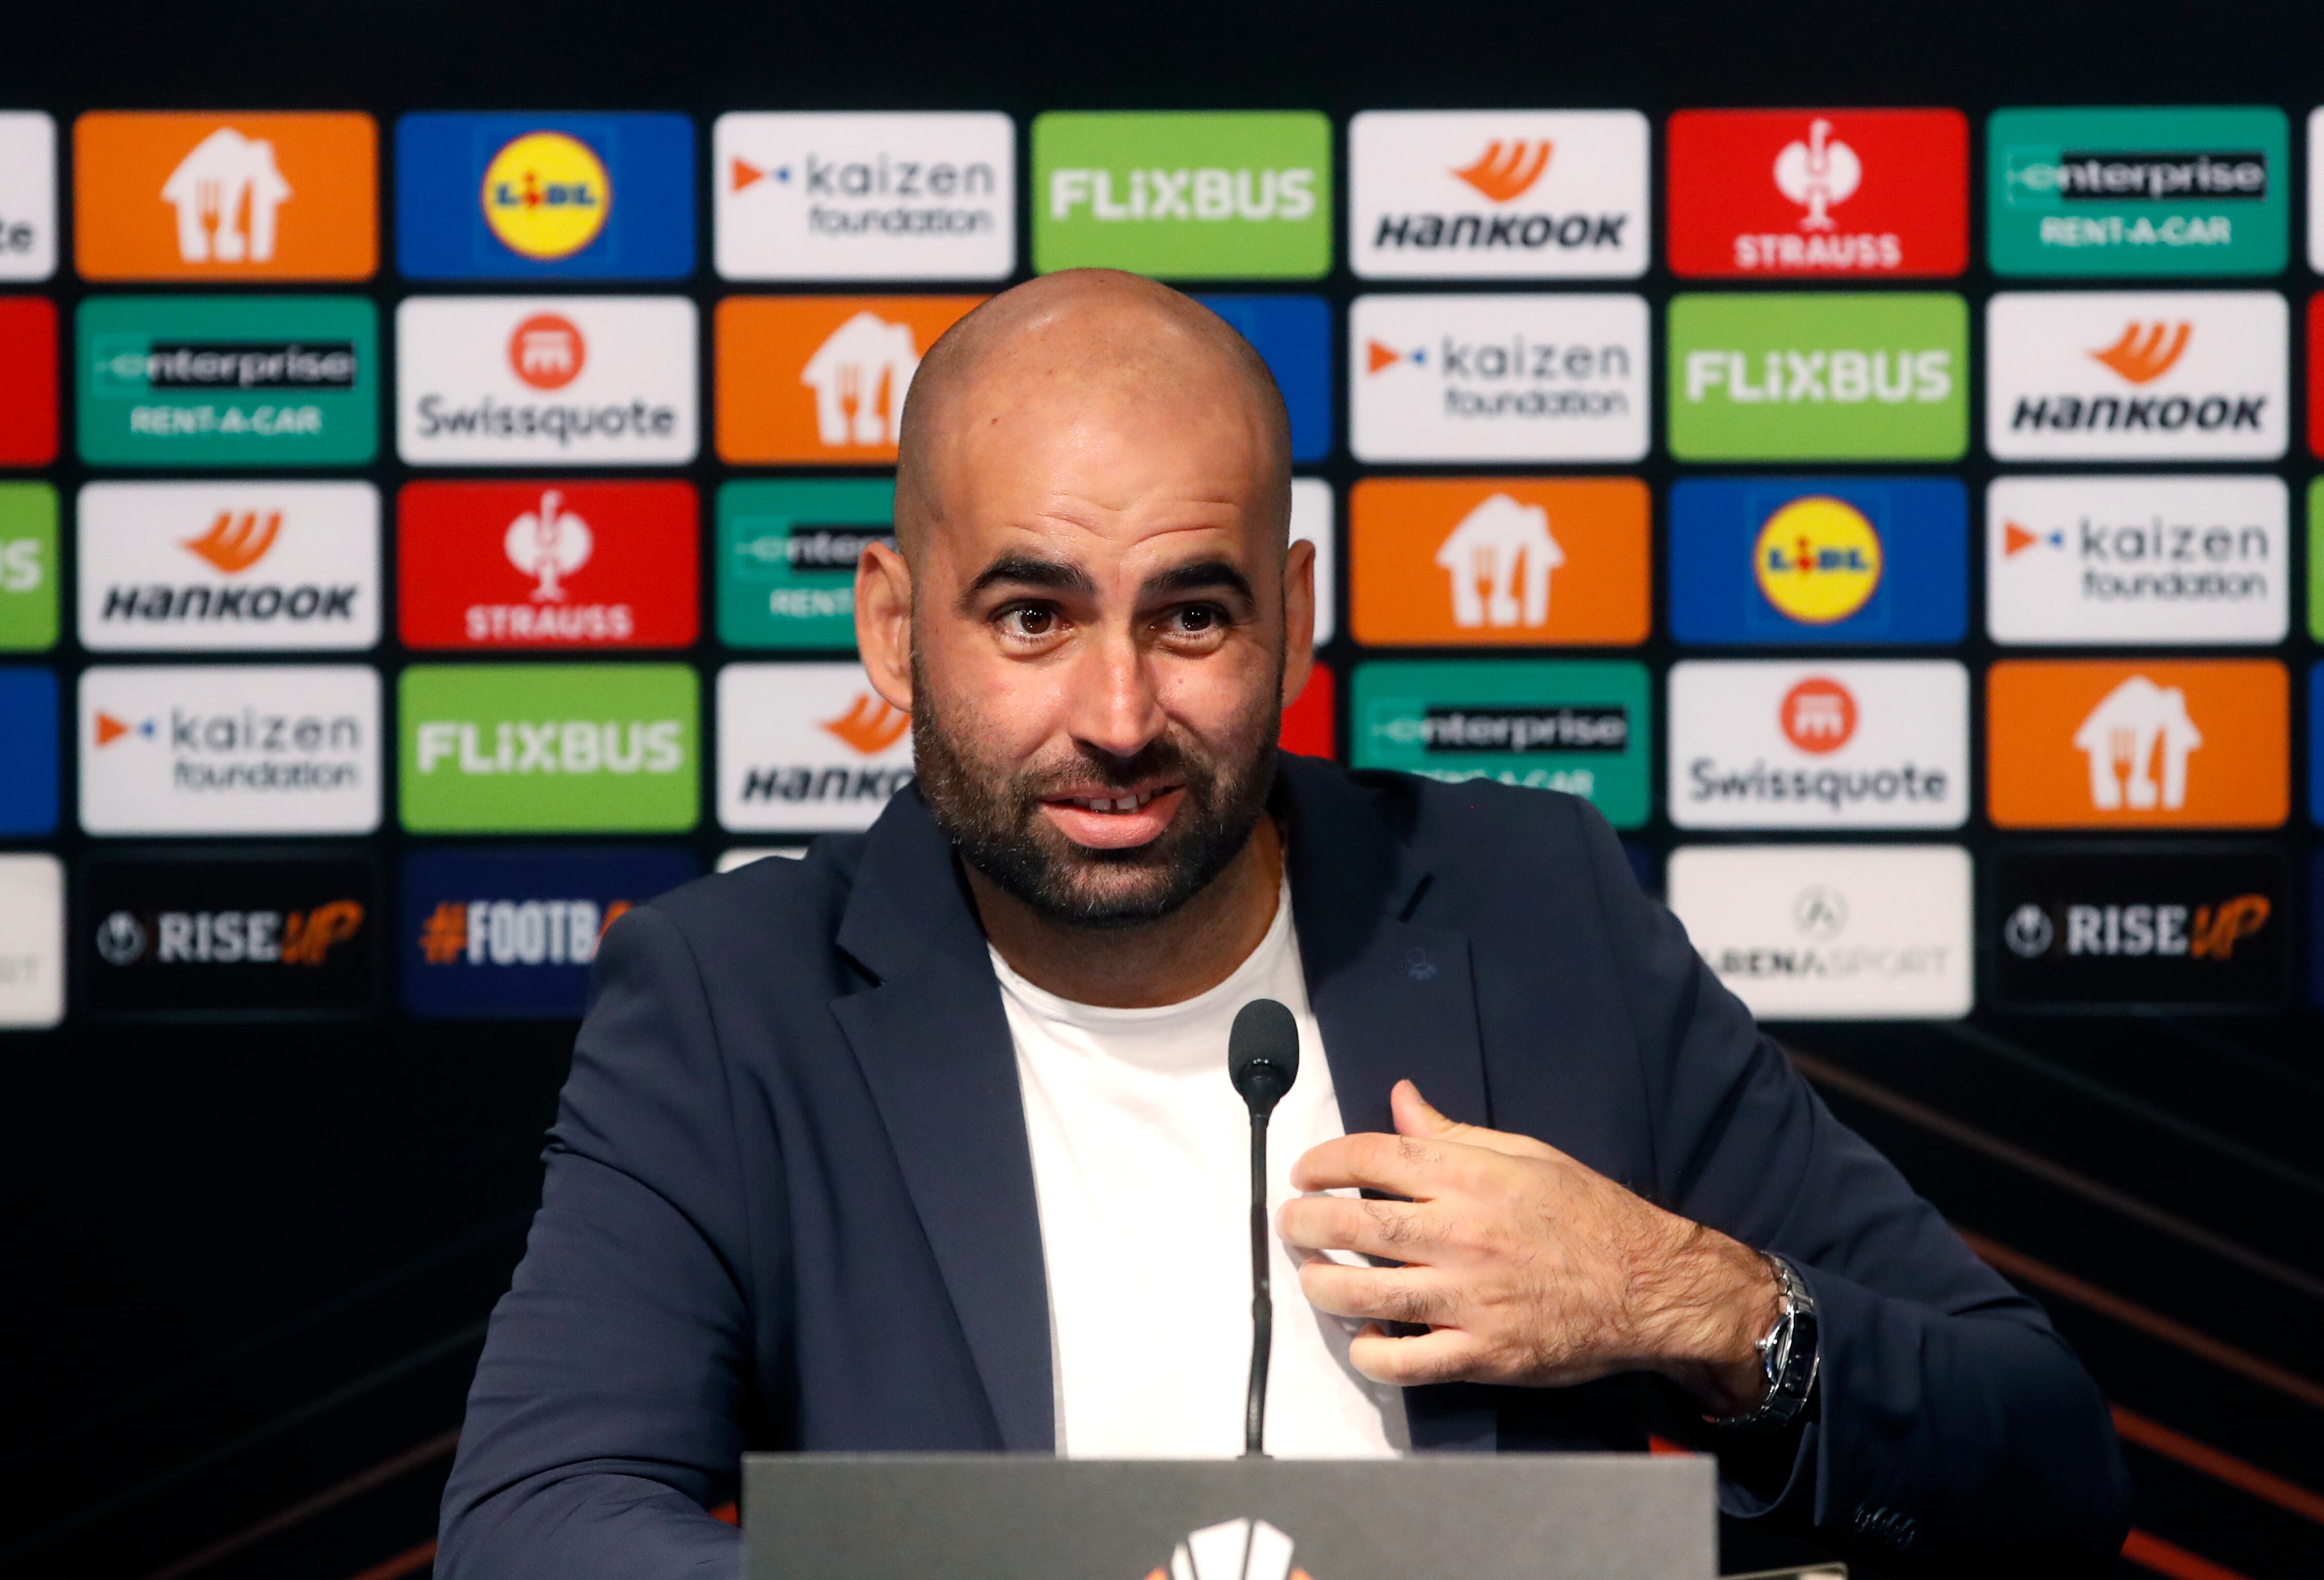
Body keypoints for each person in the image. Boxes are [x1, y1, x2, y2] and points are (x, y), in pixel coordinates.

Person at [436, 270, 2130, 1577]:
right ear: (894, 632)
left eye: (1194, 615)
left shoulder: (1537, 917)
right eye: (1031, 615)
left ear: (1298, 621)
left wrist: (1672, 1294)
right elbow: (535, 1527)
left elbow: (2048, 1465)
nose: (1116, 713)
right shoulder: (738, 1005)